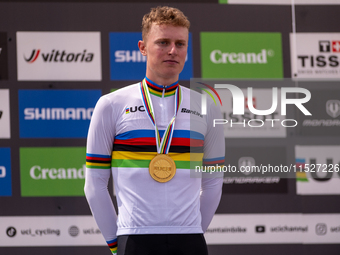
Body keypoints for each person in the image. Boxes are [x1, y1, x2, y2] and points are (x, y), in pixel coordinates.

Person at [84, 6, 225, 255]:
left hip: (190, 241)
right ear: (142, 47)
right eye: (163, 42)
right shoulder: (111, 105)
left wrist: (192, 232)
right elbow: (94, 184)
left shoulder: (206, 107)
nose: (173, 50)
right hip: (135, 240)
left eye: (180, 44)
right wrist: (116, 244)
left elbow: (213, 182)